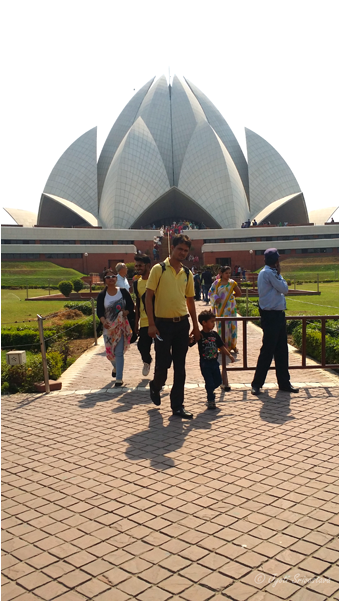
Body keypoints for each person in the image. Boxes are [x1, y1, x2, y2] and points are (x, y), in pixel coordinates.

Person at [145, 234, 201, 419]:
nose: (183, 253)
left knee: (180, 366)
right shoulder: (158, 269)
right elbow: (148, 296)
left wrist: (196, 326)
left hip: (181, 325)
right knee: (163, 364)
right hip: (162, 325)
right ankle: (155, 385)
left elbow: (190, 301)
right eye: (180, 249)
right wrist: (151, 324)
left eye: (186, 250)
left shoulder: (187, 273)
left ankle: (177, 405)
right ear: (172, 248)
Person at [251, 249, 299, 395]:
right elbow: (284, 289)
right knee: (268, 350)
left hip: (277, 314)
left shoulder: (269, 272)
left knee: (281, 350)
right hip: (271, 315)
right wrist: (280, 276)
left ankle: (284, 383)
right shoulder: (269, 273)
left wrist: (279, 275)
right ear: (275, 260)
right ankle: (257, 383)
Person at [97, 268, 135, 387]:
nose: (111, 279)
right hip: (108, 328)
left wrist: (126, 312)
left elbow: (131, 306)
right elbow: (99, 312)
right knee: (110, 354)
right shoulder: (102, 295)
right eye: (108, 277)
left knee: (119, 352)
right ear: (104, 280)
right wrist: (104, 322)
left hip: (121, 326)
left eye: (113, 276)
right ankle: (115, 367)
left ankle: (119, 378)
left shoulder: (123, 292)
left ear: (116, 278)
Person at [191, 310, 234, 409]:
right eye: (212, 322)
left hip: (215, 362)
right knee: (209, 382)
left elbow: (221, 346)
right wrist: (190, 338)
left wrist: (229, 355)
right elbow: (190, 343)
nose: (214, 324)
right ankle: (211, 400)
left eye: (214, 321)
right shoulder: (200, 335)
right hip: (205, 363)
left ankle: (210, 389)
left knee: (218, 381)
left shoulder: (214, 334)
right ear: (204, 323)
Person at [209, 266, 242, 353]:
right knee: (222, 327)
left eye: (229, 273)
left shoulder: (232, 283)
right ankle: (223, 346)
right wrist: (216, 298)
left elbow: (239, 293)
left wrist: (230, 298)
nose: (228, 275)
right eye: (226, 273)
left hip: (231, 309)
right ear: (222, 274)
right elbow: (210, 292)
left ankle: (233, 345)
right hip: (221, 310)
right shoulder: (217, 283)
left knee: (232, 327)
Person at [134, 254, 153, 376]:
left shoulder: (156, 279)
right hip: (145, 321)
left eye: (140, 265)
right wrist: (136, 324)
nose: (138, 268)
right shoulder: (137, 283)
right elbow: (138, 303)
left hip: (158, 320)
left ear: (147, 265)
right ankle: (147, 361)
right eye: (136, 266)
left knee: (162, 349)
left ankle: (160, 375)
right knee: (142, 345)